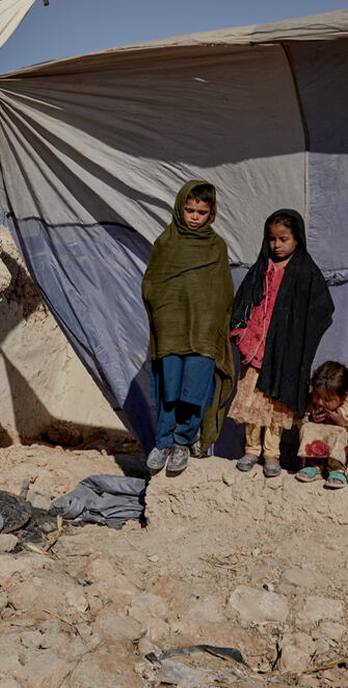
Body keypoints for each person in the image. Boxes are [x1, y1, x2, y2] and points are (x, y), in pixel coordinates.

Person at [229, 210, 333, 477]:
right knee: (252, 401)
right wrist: (241, 333)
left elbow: (322, 309)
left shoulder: (305, 271)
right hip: (256, 348)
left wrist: (298, 339)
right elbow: (243, 302)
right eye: (272, 239)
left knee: (275, 404)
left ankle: (271, 454)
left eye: (283, 239)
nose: (276, 245)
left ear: (296, 239)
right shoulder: (261, 268)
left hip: (283, 354)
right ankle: (251, 450)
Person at [141, 181, 234, 474]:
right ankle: (163, 441)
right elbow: (152, 284)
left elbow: (221, 292)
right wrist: (165, 312)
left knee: (194, 389)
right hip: (171, 329)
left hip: (204, 333)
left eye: (202, 212)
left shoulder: (216, 247)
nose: (194, 217)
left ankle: (184, 440)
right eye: (190, 209)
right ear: (180, 206)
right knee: (169, 389)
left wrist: (210, 322)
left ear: (211, 213)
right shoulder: (166, 243)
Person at [296, 361, 348, 488]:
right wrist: (311, 418)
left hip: (345, 451)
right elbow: (299, 423)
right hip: (318, 456)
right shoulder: (312, 403)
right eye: (316, 396)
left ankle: (337, 471)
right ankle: (315, 467)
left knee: (342, 433)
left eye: (326, 400)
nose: (320, 402)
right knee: (307, 427)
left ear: (343, 396)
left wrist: (343, 423)